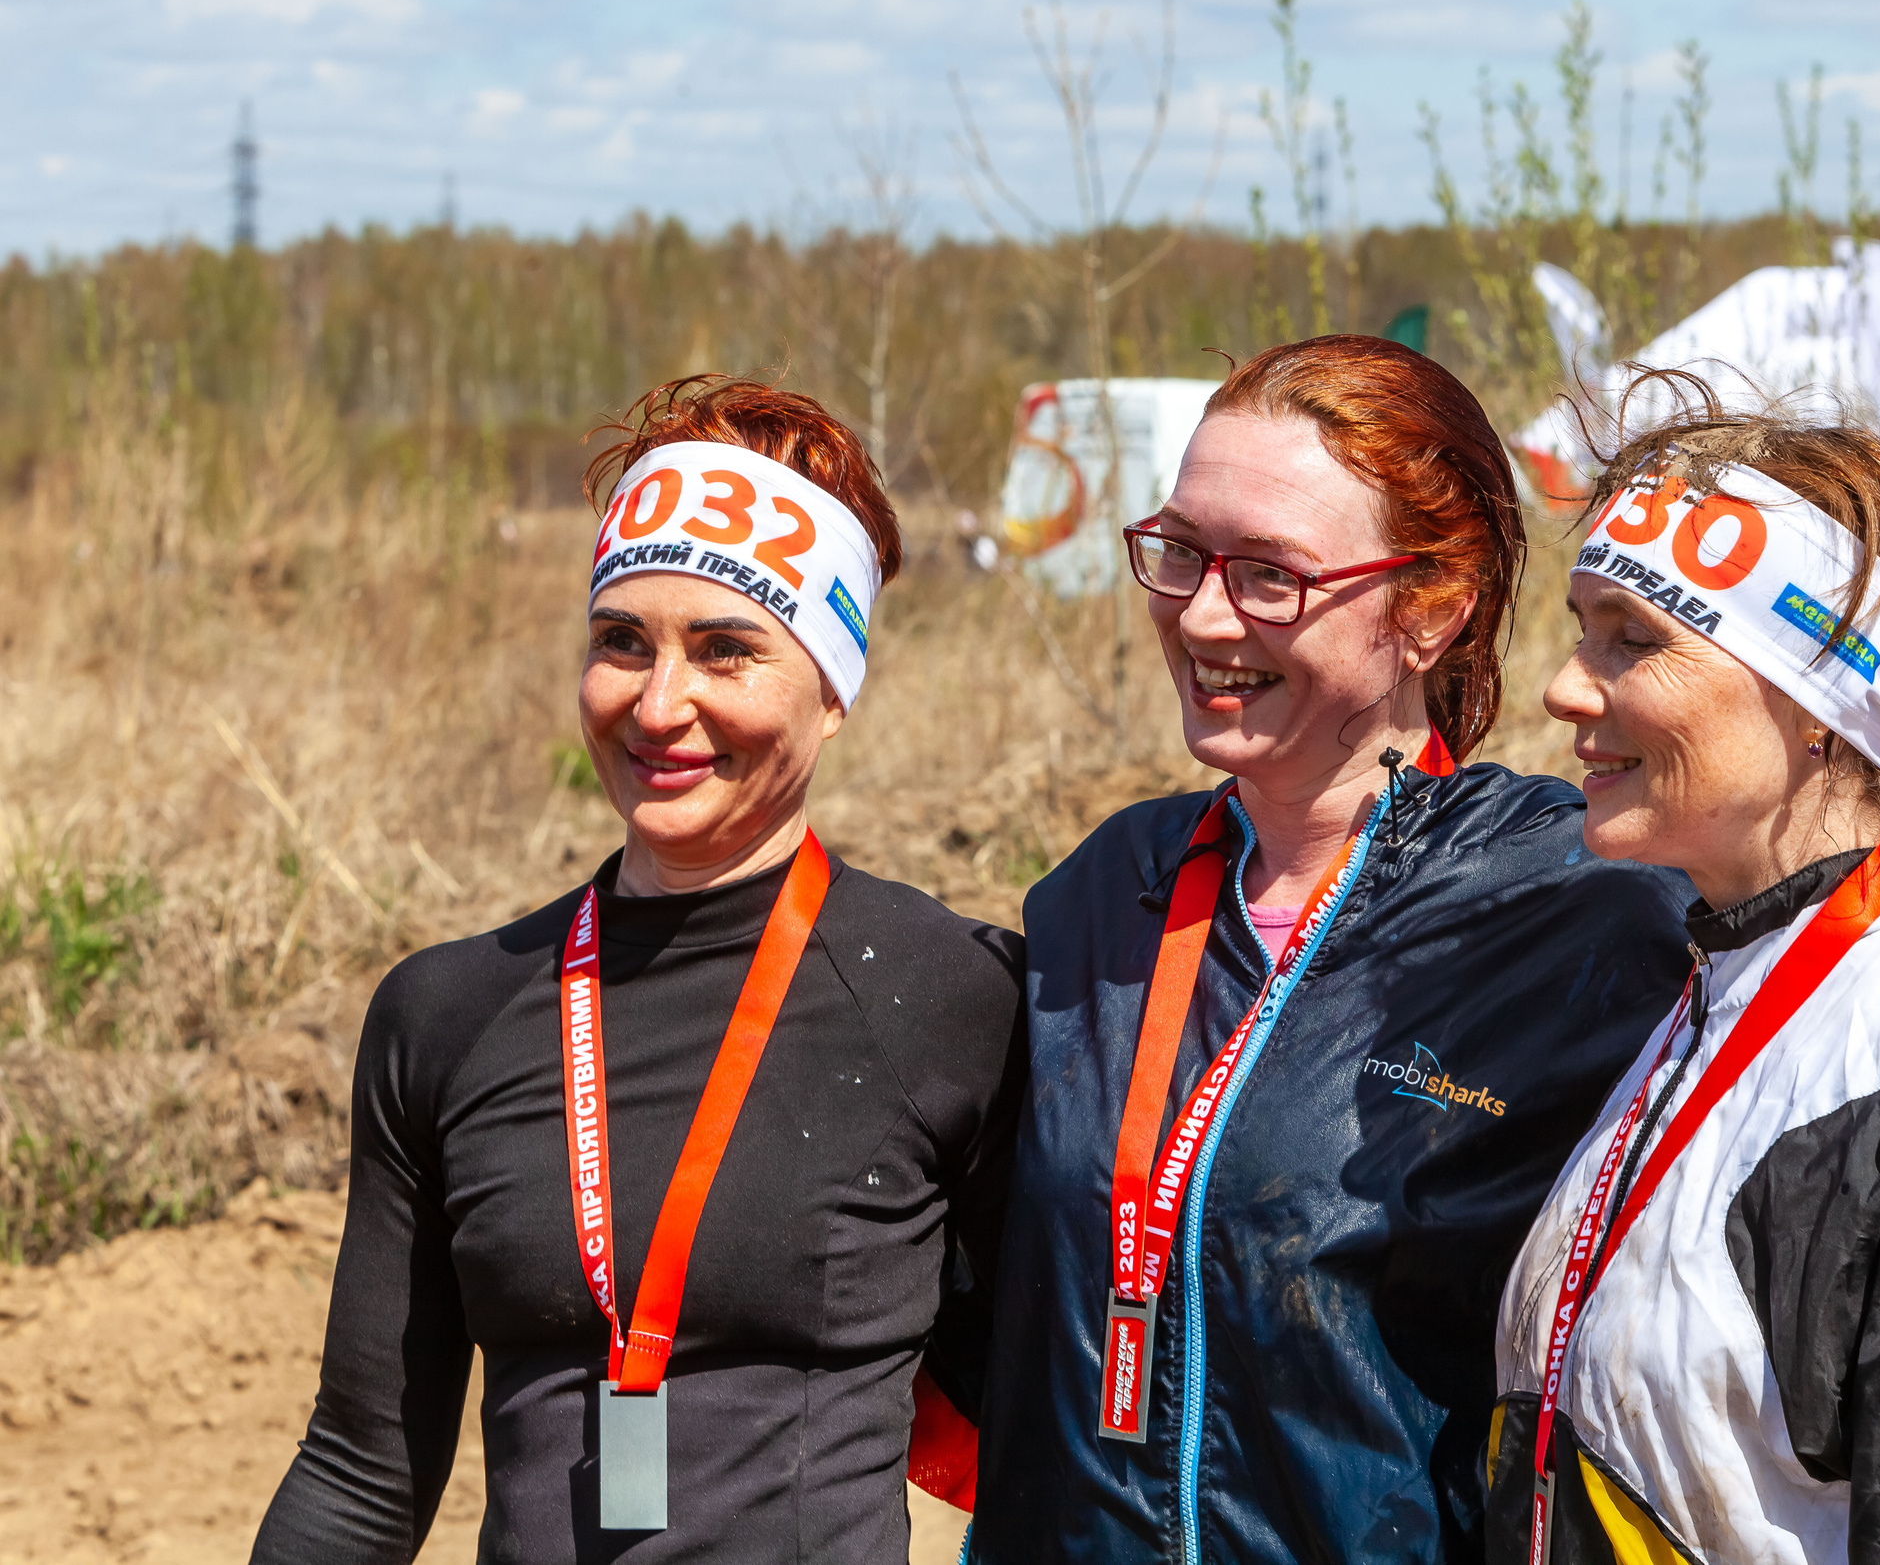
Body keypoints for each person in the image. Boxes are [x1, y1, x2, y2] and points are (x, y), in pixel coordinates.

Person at [253, 377, 1025, 1563]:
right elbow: (362, 1471)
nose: (659, 706)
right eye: (622, 642)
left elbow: (1045, 1436)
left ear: (830, 693)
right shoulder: (447, 1013)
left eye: (727, 650)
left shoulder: (955, 1000)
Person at [969, 335, 1697, 1565]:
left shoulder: (1584, 908)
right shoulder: (1102, 894)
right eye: (1182, 552)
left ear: (1431, 610)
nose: (1201, 613)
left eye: (1269, 576)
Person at [1486, 395, 1880, 1565]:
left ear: (1820, 706)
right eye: (1581, 630)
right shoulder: (1723, 973)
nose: (1565, 689)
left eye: (1632, 640)